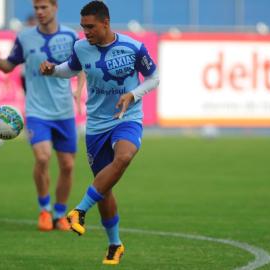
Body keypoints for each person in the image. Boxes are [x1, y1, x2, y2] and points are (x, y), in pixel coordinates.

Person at [40, 0, 159, 264]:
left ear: (106, 22)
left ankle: (79, 210)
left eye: (91, 27)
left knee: (124, 157)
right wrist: (52, 71)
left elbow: (154, 77)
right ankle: (114, 244)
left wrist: (133, 93)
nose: (86, 32)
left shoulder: (133, 47)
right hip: (96, 125)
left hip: (126, 117)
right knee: (104, 189)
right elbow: (68, 70)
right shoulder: (81, 47)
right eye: (83, 27)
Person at [0, 0, 85, 232]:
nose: (39, 12)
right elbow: (9, 66)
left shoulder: (70, 36)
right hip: (37, 111)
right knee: (43, 157)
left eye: (44, 7)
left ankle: (59, 214)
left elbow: (82, 64)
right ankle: (44, 210)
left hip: (64, 111)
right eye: (36, 8)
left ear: (55, 8)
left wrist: (78, 89)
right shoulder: (25, 38)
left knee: (67, 165)